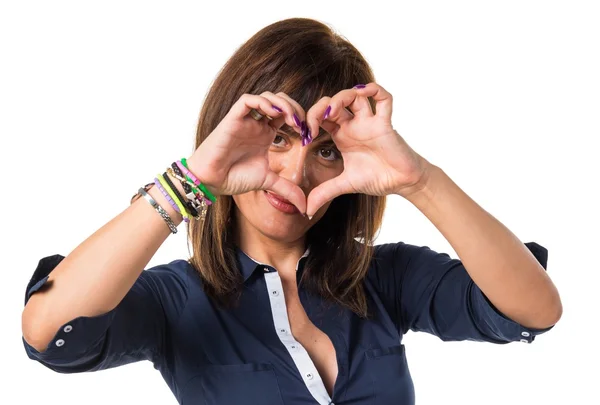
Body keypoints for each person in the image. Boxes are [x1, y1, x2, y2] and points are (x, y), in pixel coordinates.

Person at [21, 17, 562, 405]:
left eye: (324, 150)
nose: (296, 173)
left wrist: (419, 180)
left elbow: (534, 308)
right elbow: (48, 330)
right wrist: (193, 181)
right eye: (278, 138)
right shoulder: (175, 301)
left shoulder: (384, 277)